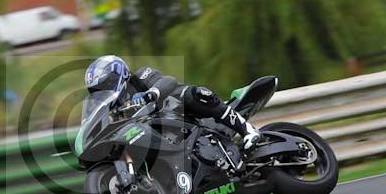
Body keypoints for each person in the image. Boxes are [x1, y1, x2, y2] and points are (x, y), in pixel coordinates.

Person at [84, 55, 261, 150]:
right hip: (164, 136)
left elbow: (168, 81)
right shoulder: (114, 110)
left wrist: (150, 94)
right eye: (98, 91)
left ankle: (248, 130)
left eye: (105, 85)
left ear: (118, 75)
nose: (103, 92)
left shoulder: (140, 77)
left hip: (183, 113)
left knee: (195, 94)